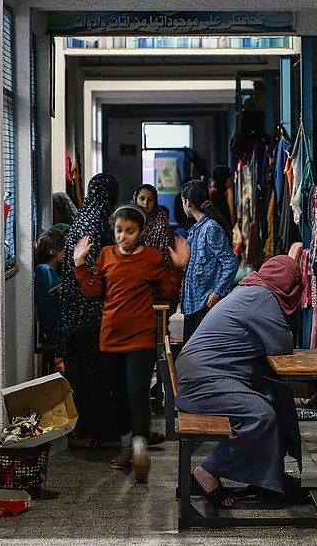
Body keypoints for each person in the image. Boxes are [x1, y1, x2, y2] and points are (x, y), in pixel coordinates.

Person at [174, 251, 305, 509]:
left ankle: (269, 480)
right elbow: (281, 344)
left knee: (277, 395)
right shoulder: (262, 297)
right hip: (202, 379)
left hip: (205, 372)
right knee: (261, 415)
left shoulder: (251, 289)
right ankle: (208, 471)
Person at [74, 204, 190, 482]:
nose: (123, 237)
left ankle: (140, 447)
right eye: (118, 231)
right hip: (110, 338)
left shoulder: (151, 258)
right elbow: (92, 292)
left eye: (129, 231)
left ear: (142, 232)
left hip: (140, 337)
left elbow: (168, 291)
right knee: (119, 396)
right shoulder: (105, 256)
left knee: (138, 392)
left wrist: (178, 269)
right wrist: (79, 265)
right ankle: (128, 445)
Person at [59, 174, 119, 450]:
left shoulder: (82, 218)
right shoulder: (95, 224)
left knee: (84, 375)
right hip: (89, 314)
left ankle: (94, 430)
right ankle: (89, 433)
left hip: (75, 313)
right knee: (92, 376)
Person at [180, 179, 240, 342]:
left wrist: (217, 293)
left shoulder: (210, 228)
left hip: (205, 303)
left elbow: (231, 262)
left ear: (188, 202)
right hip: (194, 303)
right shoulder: (197, 229)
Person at [34, 230, 66, 348]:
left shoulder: (46, 269)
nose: (66, 252)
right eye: (63, 248)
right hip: (53, 326)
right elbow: (63, 292)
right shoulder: (45, 270)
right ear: (52, 251)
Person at [134, 184, 174, 266]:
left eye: (150, 200)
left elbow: (165, 259)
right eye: (142, 198)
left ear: (155, 203)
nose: (146, 203)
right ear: (135, 199)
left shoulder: (161, 227)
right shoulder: (128, 220)